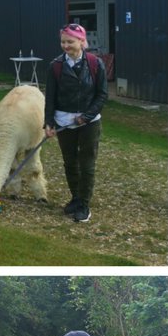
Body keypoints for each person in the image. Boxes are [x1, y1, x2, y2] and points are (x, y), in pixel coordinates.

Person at [43, 23, 108, 224]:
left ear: (82, 41)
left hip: (89, 123)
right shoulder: (55, 66)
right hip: (65, 123)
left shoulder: (95, 64)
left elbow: (102, 95)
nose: (65, 45)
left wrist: (86, 116)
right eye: (63, 41)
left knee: (86, 163)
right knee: (69, 162)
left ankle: (84, 205)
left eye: (70, 41)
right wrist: (49, 122)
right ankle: (75, 198)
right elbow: (50, 97)